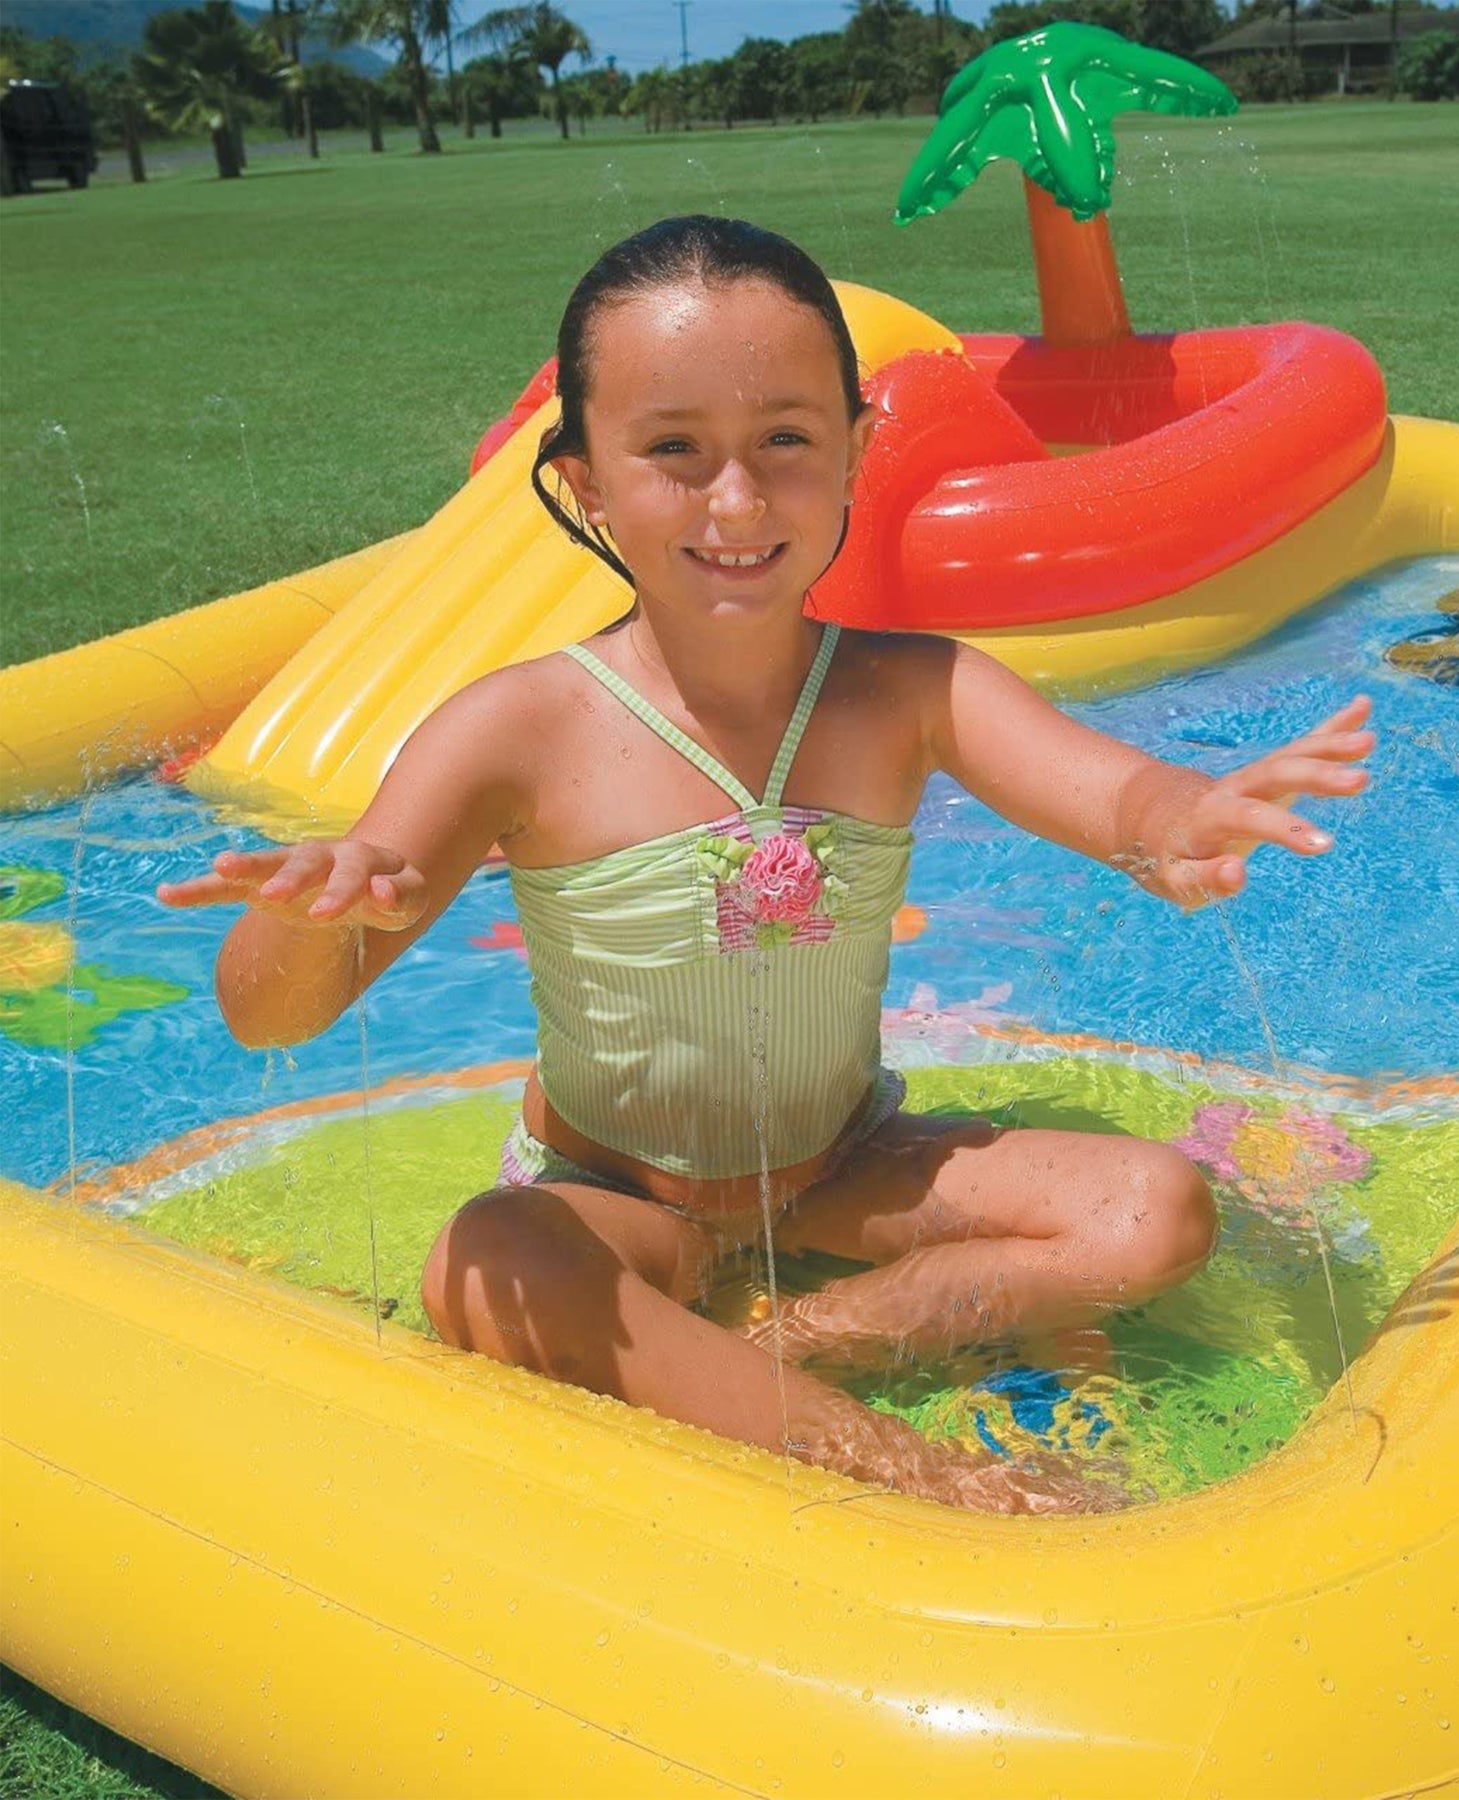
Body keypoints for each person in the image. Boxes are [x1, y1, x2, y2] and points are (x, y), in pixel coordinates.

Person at [159, 215, 1373, 1513]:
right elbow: (268, 1015)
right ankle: (918, 1476)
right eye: (673, 451)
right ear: (584, 483)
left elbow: (1112, 792)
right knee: (488, 1258)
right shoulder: (520, 727)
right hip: (618, 1194)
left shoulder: (909, 690)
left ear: (858, 451)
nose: (735, 501)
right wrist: (310, 918)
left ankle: (797, 1343)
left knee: (1154, 1209)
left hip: (843, 1171)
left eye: (785, 441)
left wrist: (1182, 816)